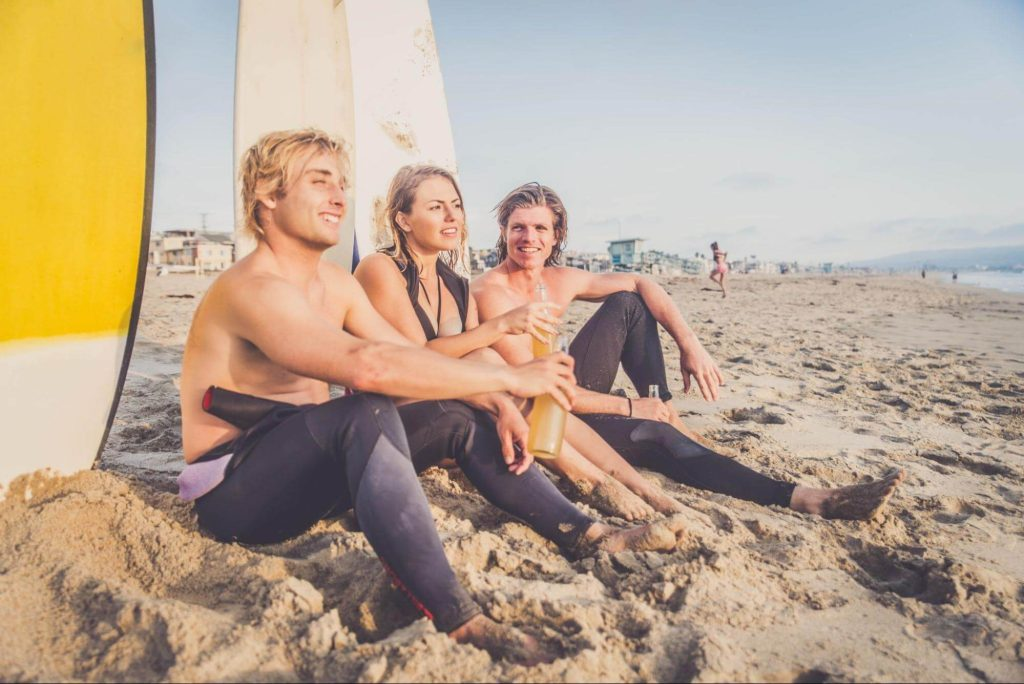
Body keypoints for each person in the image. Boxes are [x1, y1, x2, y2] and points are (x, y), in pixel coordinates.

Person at [178, 131, 686, 664]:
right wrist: (514, 381)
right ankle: (457, 618)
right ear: (267, 194)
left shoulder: (337, 285)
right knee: (365, 409)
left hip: (312, 481)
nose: (337, 197)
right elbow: (370, 367)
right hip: (239, 495)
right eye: (318, 181)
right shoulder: (253, 287)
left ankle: (588, 534)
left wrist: (496, 403)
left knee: (456, 417)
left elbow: (409, 354)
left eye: (341, 185)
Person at [472, 182, 904, 521]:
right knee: (657, 436)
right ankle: (810, 500)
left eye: (540, 228)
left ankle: (668, 410)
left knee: (628, 302)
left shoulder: (562, 278)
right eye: (518, 228)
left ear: (556, 234)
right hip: (549, 420)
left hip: (572, 391)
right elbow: (541, 391)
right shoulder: (493, 294)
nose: (529, 238)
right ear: (505, 233)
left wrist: (689, 344)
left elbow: (643, 283)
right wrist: (633, 408)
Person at [354, 165, 685, 520]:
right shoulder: (381, 268)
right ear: (403, 220)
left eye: (456, 205)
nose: (452, 216)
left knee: (517, 382)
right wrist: (499, 327)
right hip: (396, 419)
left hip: (456, 417)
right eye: (436, 207)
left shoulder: (455, 284)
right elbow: (415, 360)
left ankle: (635, 484)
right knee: (485, 355)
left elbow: (467, 360)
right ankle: (591, 480)